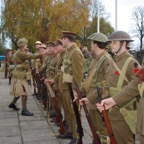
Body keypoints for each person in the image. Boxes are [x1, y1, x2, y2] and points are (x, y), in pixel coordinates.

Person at [80, 31, 140, 144]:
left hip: (124, 115)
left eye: (114, 42)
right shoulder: (114, 62)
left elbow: (137, 86)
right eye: (110, 42)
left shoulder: (132, 63)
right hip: (111, 112)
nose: (110, 45)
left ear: (123, 43)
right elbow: (105, 84)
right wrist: (90, 98)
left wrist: (114, 100)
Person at [76, 32, 112, 144]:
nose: (91, 45)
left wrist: (90, 98)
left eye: (92, 43)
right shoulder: (95, 59)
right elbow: (88, 79)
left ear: (95, 44)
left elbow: (107, 84)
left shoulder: (107, 60)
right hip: (92, 100)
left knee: (103, 131)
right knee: (95, 129)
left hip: (99, 100)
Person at [96, 67, 144, 144]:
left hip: (124, 110)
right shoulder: (112, 63)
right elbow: (137, 82)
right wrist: (114, 100)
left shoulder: (130, 62)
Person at [58, 31, 84, 144]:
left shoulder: (76, 52)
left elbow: (78, 74)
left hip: (71, 89)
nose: (62, 41)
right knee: (69, 111)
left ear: (66, 39)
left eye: (62, 39)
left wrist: (75, 90)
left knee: (75, 113)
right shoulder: (69, 52)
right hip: (66, 87)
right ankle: (70, 132)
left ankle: (77, 136)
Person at [9, 38, 45, 116]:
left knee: (20, 92)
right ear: (22, 45)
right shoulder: (20, 53)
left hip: (20, 75)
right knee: (24, 93)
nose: (26, 45)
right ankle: (24, 110)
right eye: (25, 44)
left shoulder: (19, 52)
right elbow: (32, 56)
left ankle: (12, 103)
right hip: (20, 76)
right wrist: (43, 53)